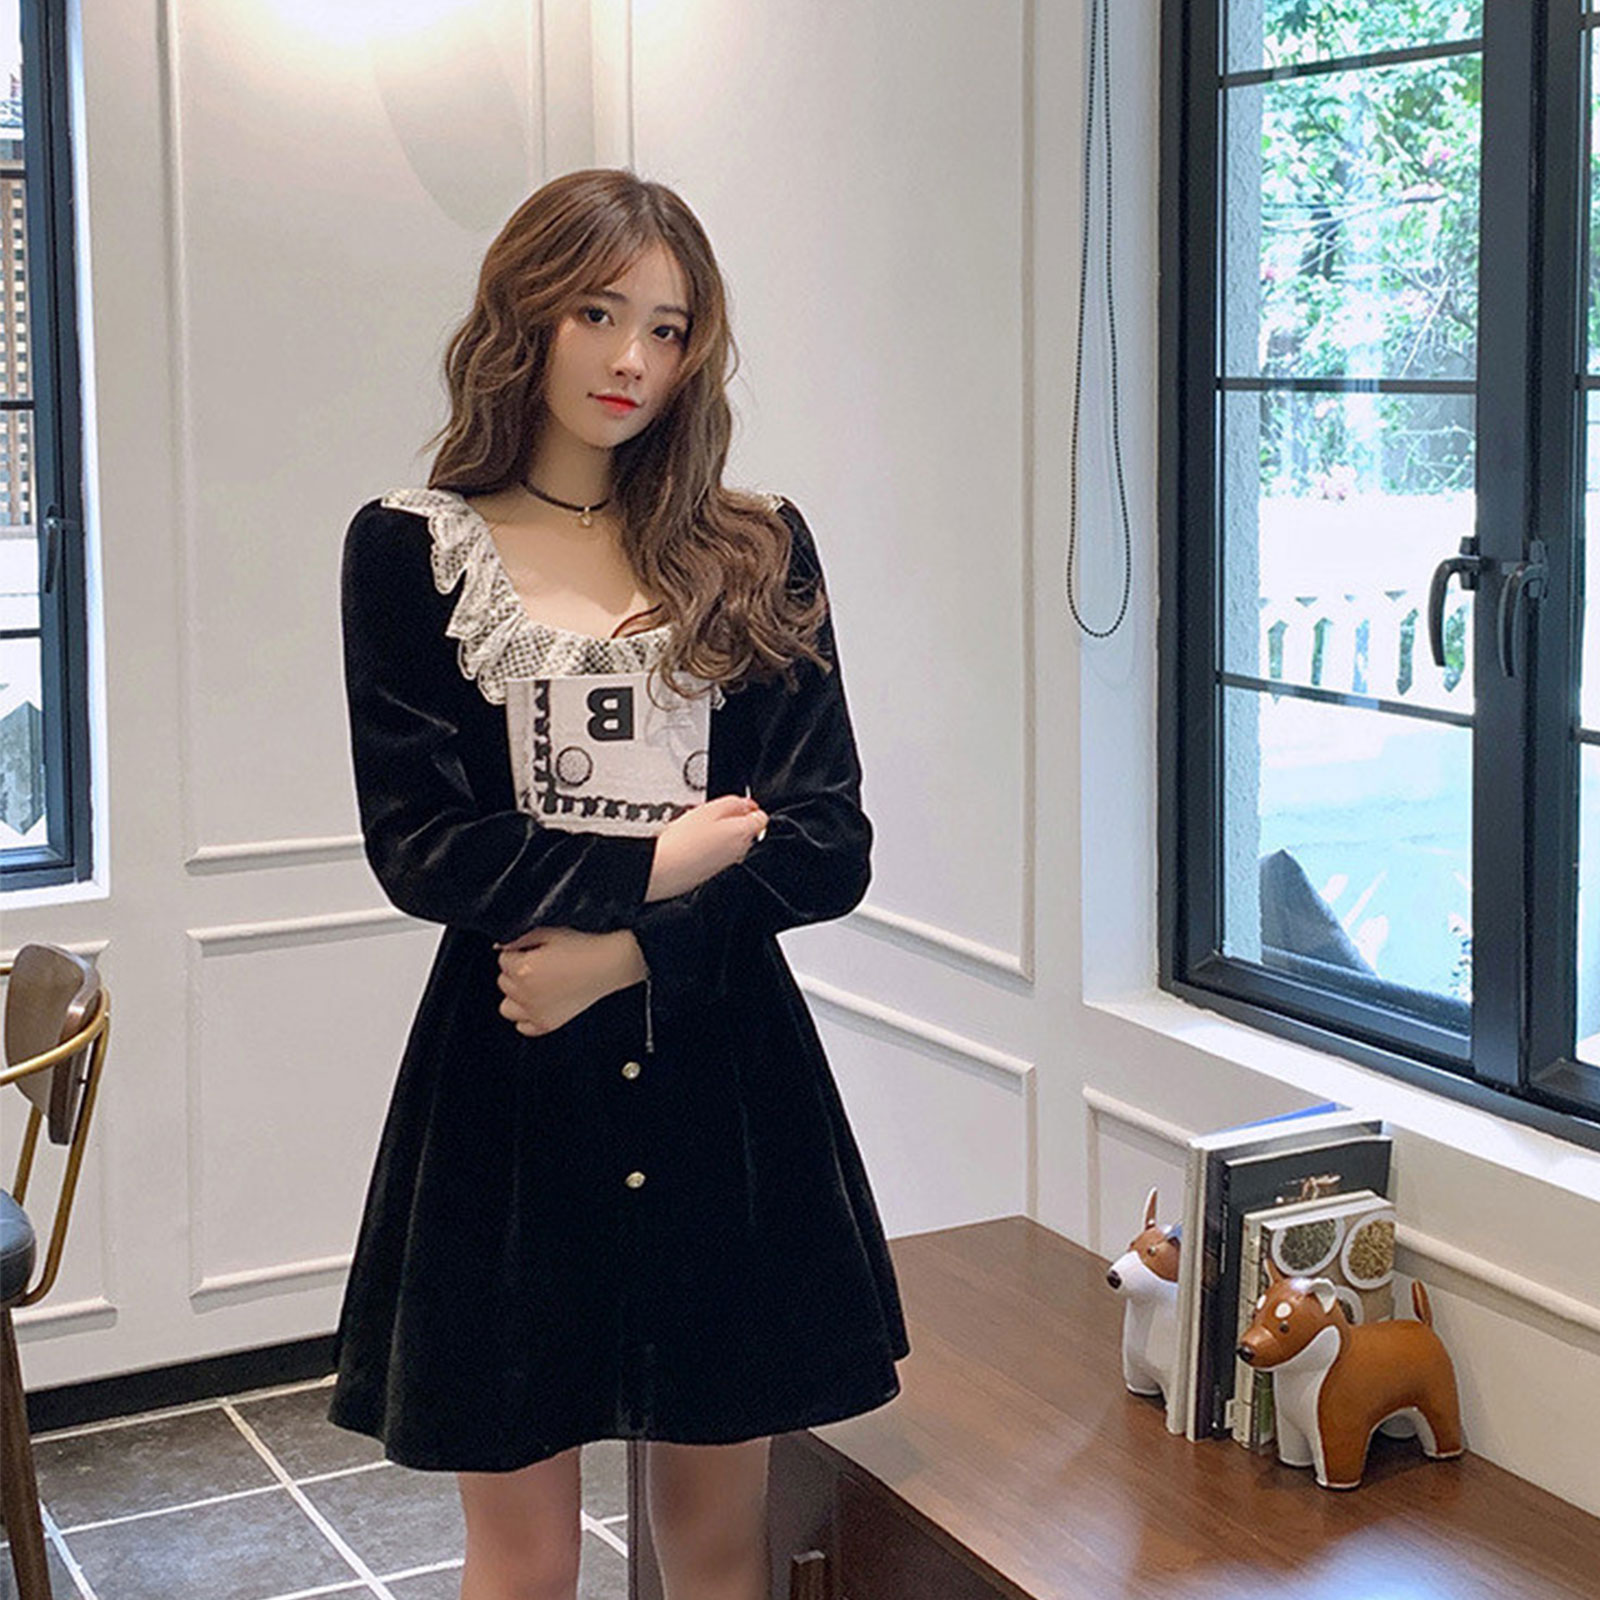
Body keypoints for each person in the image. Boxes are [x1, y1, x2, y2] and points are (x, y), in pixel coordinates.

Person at [329, 167, 910, 1600]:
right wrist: (663, 858)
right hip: (509, 1080)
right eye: (599, 313)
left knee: (715, 1543)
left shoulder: (755, 545)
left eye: (668, 328)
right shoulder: (410, 548)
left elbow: (826, 841)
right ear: (525, 311)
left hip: (722, 1080)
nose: (633, 359)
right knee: (523, 1556)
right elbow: (423, 843)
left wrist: (625, 951)